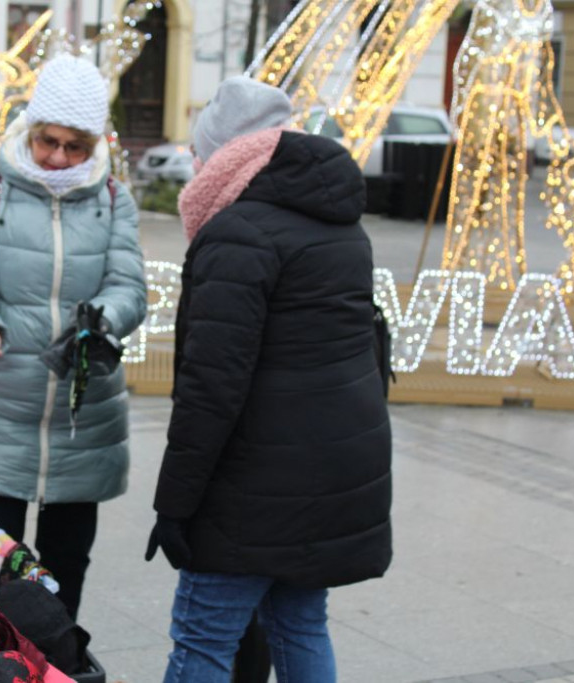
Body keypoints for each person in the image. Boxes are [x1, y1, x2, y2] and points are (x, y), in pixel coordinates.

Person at [144, 75, 393, 682]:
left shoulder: (237, 233)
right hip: (329, 476)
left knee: (203, 640)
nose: (194, 167)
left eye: (200, 154)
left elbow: (211, 390)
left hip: (250, 488)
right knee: (301, 625)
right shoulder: (337, 224)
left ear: (226, 155)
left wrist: (174, 506)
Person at [0, 54, 147, 622]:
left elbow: (130, 286)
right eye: (47, 141)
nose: (58, 156)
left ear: (97, 142)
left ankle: (54, 662)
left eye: (74, 146)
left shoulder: (113, 201)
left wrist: (102, 320)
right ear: (30, 131)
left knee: (64, 568)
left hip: (84, 415)